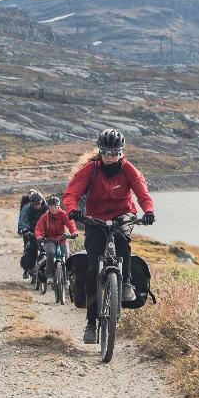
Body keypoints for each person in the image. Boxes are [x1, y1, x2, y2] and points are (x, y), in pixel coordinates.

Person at [63, 128, 154, 343]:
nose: (110, 157)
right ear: (100, 152)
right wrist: (72, 209)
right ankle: (91, 324)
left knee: (122, 241)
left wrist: (148, 211)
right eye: (105, 153)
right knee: (95, 268)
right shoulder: (90, 169)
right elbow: (72, 192)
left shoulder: (128, 169)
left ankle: (126, 285)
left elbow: (142, 192)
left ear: (121, 152)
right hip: (95, 218)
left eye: (114, 153)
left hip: (123, 215)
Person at [33, 195, 76, 279]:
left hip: (62, 239)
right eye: (51, 207)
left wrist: (74, 232)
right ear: (48, 207)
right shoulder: (45, 216)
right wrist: (39, 236)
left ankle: (67, 278)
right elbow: (38, 228)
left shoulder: (63, 214)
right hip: (49, 240)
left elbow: (70, 224)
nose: (53, 209)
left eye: (55, 207)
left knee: (66, 256)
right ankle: (49, 276)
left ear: (58, 206)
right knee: (50, 253)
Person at [16, 190, 46, 278]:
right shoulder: (27, 208)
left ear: (42, 201)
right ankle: (28, 268)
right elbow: (22, 219)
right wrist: (23, 229)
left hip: (44, 230)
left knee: (47, 249)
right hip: (31, 230)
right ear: (31, 203)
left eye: (39, 203)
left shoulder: (46, 207)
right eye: (34, 204)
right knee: (30, 248)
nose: (37, 205)